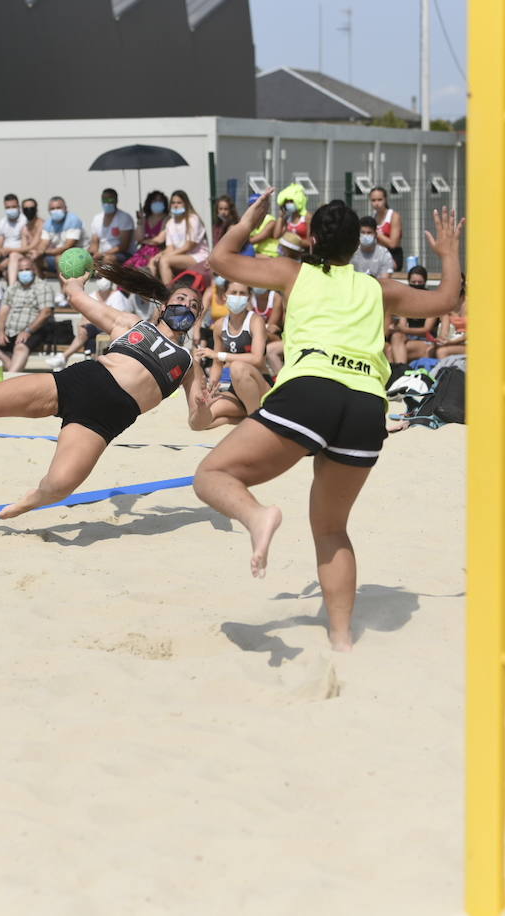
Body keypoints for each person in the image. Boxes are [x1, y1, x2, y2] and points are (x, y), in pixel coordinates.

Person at [195, 191, 463, 652]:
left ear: (313, 237)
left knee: (211, 475)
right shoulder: (379, 288)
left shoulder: (292, 272)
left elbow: (220, 259)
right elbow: (444, 299)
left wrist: (249, 222)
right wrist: (448, 253)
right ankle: (342, 640)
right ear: (356, 246)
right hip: (366, 405)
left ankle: (259, 517)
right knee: (332, 529)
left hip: (313, 388)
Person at [0, 266, 208, 520]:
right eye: (181, 299)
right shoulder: (134, 324)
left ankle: (32, 499)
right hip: (77, 383)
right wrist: (76, 281)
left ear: (199, 317)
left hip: (105, 419)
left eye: (195, 306)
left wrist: (204, 407)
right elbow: (78, 298)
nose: (187, 306)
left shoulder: (189, 361)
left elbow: (198, 421)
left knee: (60, 486)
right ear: (164, 306)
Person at [188, 281, 268, 428]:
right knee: (200, 423)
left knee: (237, 367)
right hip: (236, 390)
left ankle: (254, 424)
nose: (237, 297)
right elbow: (217, 364)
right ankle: (247, 418)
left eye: (242, 293)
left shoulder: (255, 321)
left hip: (261, 386)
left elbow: (257, 359)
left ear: (249, 297)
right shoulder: (219, 325)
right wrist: (211, 385)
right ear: (225, 296)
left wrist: (220, 356)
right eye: (233, 293)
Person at [0, 255, 54, 372]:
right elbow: (3, 311)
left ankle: (11, 377)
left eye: (27, 269)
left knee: (20, 348)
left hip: (33, 330)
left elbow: (46, 312)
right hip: (10, 329)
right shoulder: (12, 288)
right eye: (21, 270)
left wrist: (28, 331)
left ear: (33, 269)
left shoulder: (43, 287)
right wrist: (0, 332)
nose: (24, 272)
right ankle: (10, 366)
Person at [45, 273, 133, 369]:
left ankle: (64, 357)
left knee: (89, 334)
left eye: (105, 277)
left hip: (113, 330)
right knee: (84, 331)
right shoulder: (92, 295)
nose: (102, 279)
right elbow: (85, 319)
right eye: (99, 277)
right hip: (96, 328)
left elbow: (116, 321)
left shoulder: (117, 296)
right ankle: (65, 358)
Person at [153, 189, 209, 285]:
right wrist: (161, 254)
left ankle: (168, 293)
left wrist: (168, 256)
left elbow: (189, 246)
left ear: (186, 204)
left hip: (197, 256)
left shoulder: (193, 219)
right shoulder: (170, 223)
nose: (175, 205)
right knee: (153, 261)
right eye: (173, 203)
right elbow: (170, 248)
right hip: (180, 256)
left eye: (179, 203)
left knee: (165, 261)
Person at [388, 266, 438, 364]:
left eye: (420, 283)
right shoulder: (405, 300)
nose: (416, 285)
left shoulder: (432, 301)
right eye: (413, 282)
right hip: (409, 338)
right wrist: (401, 329)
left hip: (426, 340)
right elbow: (403, 323)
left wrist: (404, 330)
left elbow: (426, 329)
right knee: (396, 336)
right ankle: (400, 370)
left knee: (390, 351)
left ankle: (400, 371)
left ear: (425, 282)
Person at [87, 188, 134, 267]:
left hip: (122, 254)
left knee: (108, 259)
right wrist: (93, 254)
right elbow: (95, 242)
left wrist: (103, 254)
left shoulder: (125, 218)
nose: (107, 202)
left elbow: (123, 246)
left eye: (110, 199)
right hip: (102, 254)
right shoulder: (97, 218)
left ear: (116, 200)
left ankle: (106, 279)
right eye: (105, 200)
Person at [40, 196, 84, 277]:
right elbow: (43, 244)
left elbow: (68, 247)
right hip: (54, 255)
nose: (55, 211)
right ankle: (39, 287)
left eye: (58, 208)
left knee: (60, 258)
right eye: (52, 208)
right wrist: (38, 252)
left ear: (65, 208)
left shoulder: (73, 220)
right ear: (49, 211)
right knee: (32, 259)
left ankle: (64, 288)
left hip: (77, 255)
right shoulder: (47, 224)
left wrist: (45, 252)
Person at [126, 190, 168, 270]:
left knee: (140, 268)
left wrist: (144, 241)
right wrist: (140, 221)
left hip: (158, 251)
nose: (157, 203)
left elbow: (159, 240)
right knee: (127, 267)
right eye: (155, 200)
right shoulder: (145, 219)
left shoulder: (167, 219)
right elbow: (138, 237)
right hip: (142, 251)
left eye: (160, 200)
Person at [0, 193, 26, 283]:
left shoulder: (24, 221)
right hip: (4, 256)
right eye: (8, 207)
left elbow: (25, 248)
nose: (11, 209)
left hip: (21, 255)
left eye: (13, 207)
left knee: (13, 257)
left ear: (18, 206)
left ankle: (11, 290)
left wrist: (9, 252)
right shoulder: (2, 223)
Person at [368, 185, 404, 265]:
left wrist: (376, 234)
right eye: (373, 200)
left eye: (380, 200)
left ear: (385, 199)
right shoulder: (373, 217)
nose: (377, 203)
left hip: (392, 255)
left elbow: (393, 244)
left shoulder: (393, 216)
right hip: (376, 254)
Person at [433, 279, 468, 360]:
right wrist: (442, 339)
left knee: (442, 352)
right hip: (457, 342)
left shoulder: (471, 304)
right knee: (437, 349)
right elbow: (444, 331)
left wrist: (451, 342)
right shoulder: (446, 306)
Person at [247, 192, 279, 258]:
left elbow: (259, 238)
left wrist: (239, 242)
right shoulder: (250, 221)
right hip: (257, 253)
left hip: (271, 255)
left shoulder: (270, 221)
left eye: (256, 205)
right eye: (251, 206)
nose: (253, 208)